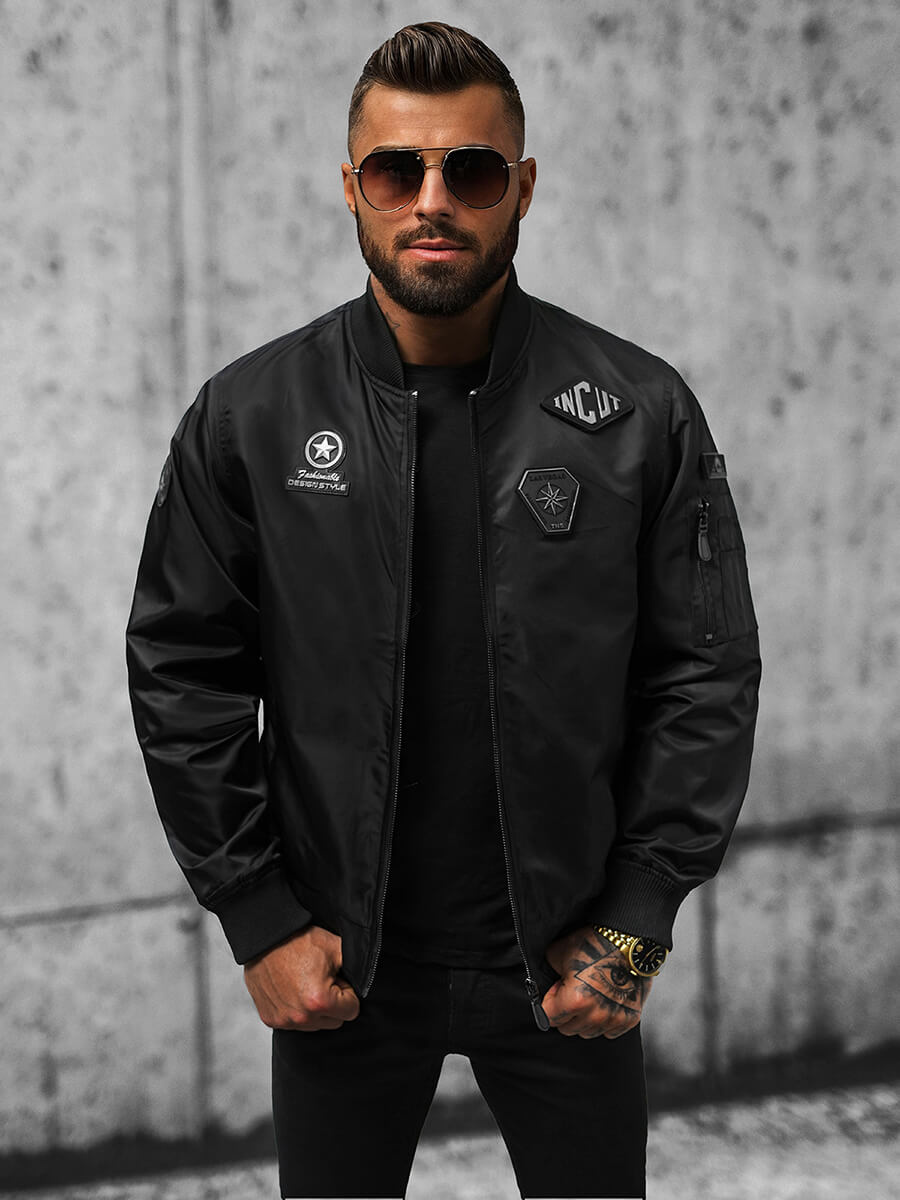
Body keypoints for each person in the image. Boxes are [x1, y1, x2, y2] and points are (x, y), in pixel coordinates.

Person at [126, 21, 761, 1200]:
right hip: (343, 968)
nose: (432, 201)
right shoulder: (253, 416)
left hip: (568, 961)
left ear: (522, 186)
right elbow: (184, 666)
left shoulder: (637, 412)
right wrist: (259, 917)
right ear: (351, 187)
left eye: (470, 170)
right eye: (395, 170)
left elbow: (703, 669)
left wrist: (634, 923)